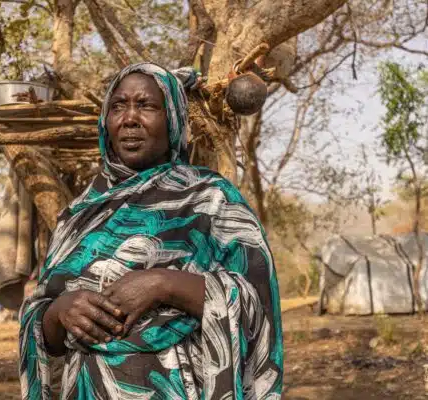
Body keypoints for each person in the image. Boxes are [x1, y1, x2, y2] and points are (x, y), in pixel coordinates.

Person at [19, 62, 283, 400]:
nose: (129, 118)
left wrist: (163, 285)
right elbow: (44, 328)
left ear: (172, 118)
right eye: (118, 106)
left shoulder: (211, 199)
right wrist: (59, 312)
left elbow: (257, 303)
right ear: (106, 120)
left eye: (146, 105)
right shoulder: (77, 215)